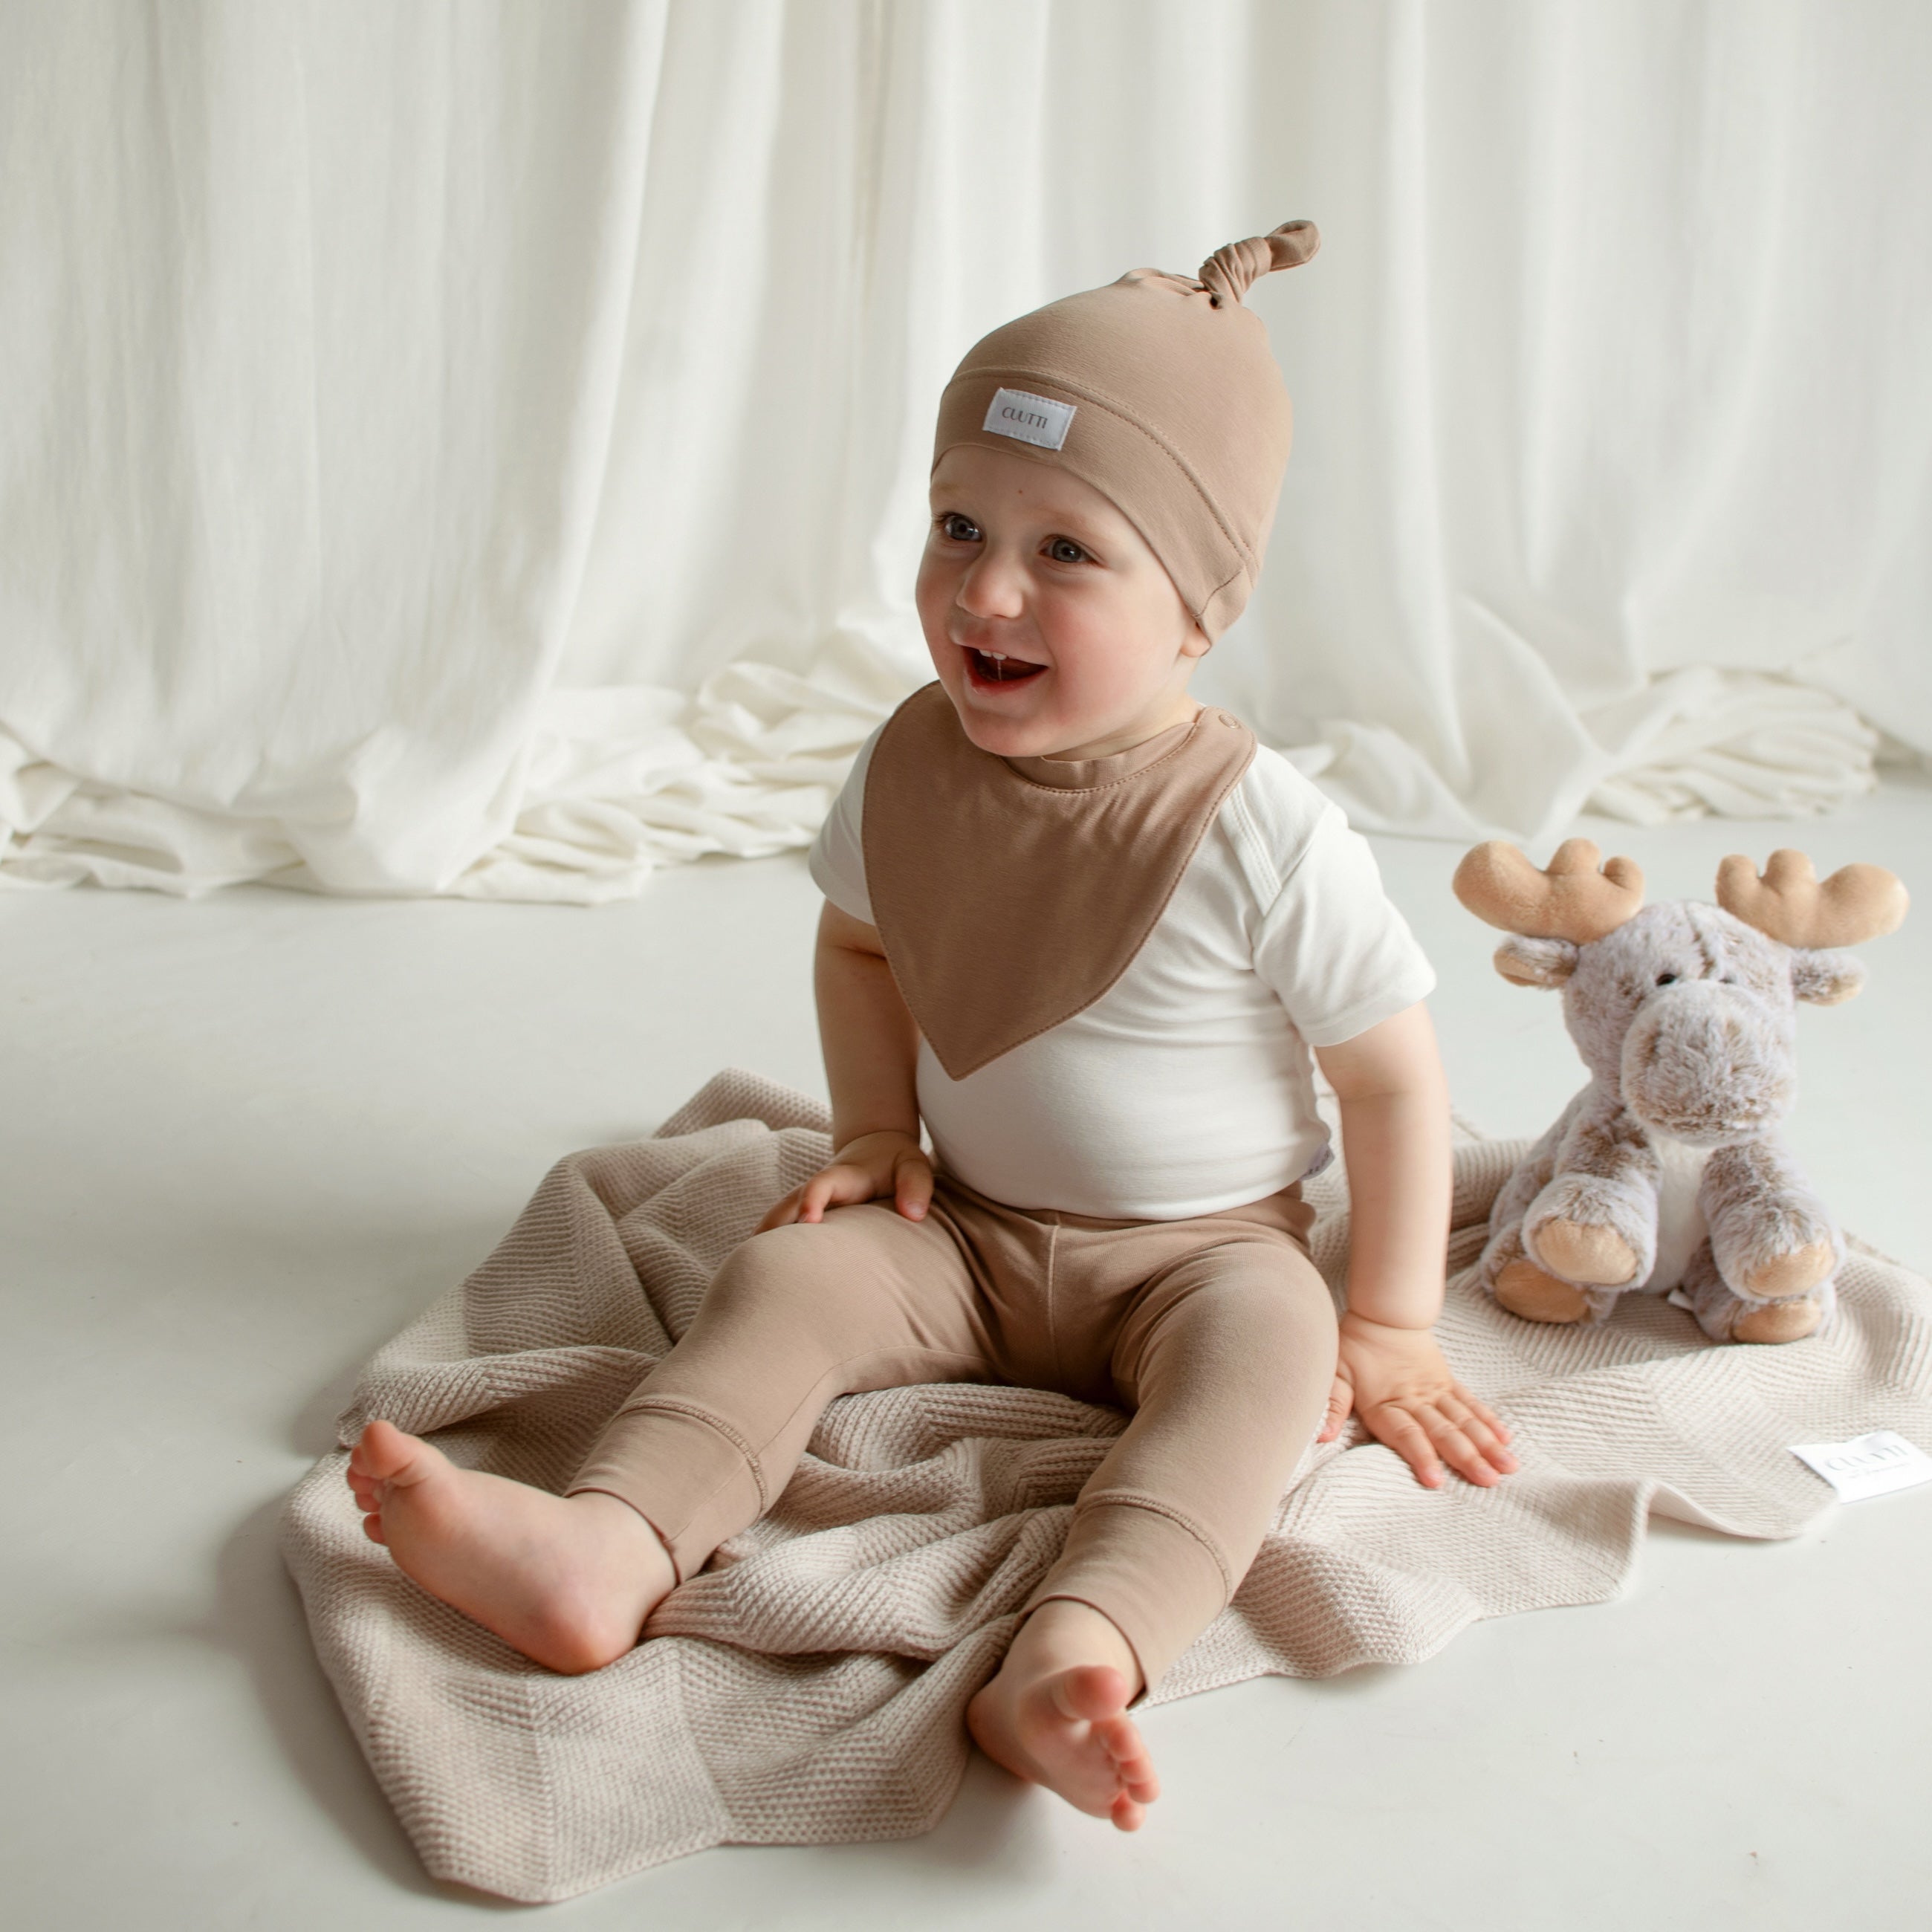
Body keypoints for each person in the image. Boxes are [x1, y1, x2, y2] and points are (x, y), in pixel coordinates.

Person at [346, 220, 1517, 1832]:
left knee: (1270, 1365)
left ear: (1197, 610)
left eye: (1066, 551)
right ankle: (606, 1545)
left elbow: (1387, 1078)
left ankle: (1077, 1651)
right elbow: (858, 948)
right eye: (958, 524)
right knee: (784, 1278)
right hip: (954, 1228)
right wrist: (875, 1132)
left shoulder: (1259, 827)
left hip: (1195, 1250)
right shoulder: (907, 763)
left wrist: (1386, 1318)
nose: (984, 588)